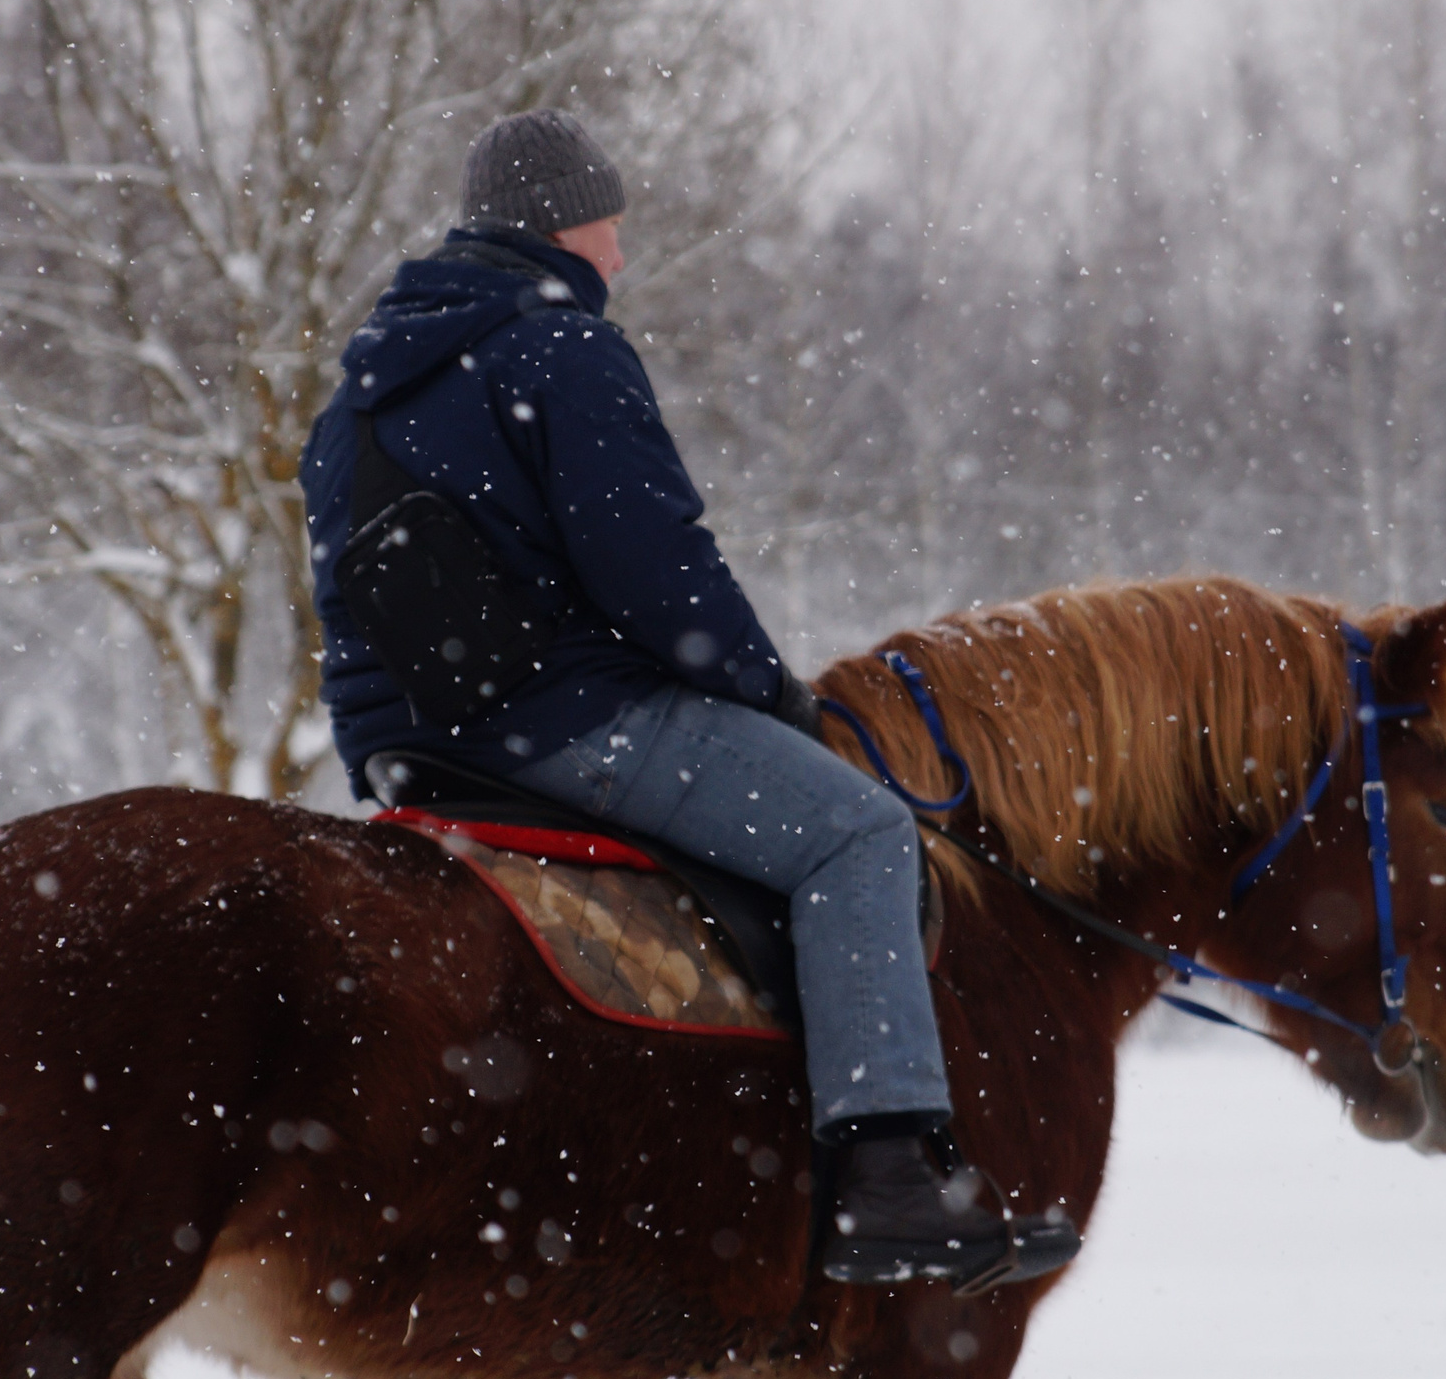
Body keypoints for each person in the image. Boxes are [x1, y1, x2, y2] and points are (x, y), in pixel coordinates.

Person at [300, 109, 1071, 1288]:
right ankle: (888, 1182)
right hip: (557, 724)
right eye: (613, 229)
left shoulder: (358, 389)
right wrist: (768, 693)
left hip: (409, 750)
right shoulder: (561, 348)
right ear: (569, 222)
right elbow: (655, 571)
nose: (620, 255)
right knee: (861, 834)